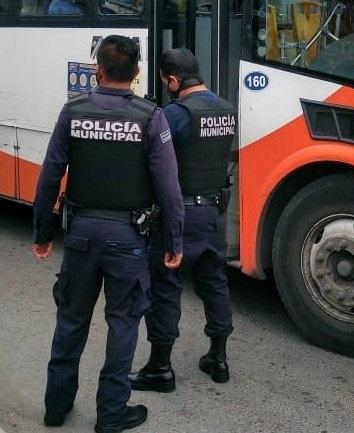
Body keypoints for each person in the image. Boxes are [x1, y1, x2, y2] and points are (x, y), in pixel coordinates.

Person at [32, 35, 184, 432]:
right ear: (136, 74)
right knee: (124, 324)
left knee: (70, 320)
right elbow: (169, 187)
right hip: (129, 241)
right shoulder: (152, 118)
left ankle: (55, 407)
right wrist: (175, 240)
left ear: (97, 70)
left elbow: (50, 175)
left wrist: (42, 232)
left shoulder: (73, 112)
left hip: (80, 234)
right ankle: (111, 413)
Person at [130, 48, 236, 393]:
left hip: (181, 214)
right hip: (214, 216)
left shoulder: (176, 113)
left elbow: (151, 158)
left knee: (165, 286)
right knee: (215, 284)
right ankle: (218, 359)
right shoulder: (225, 108)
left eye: (166, 81)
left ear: (173, 80)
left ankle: (160, 367)